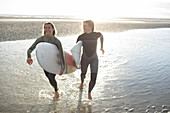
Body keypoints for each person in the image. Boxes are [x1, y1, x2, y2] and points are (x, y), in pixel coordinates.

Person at [26, 22, 65, 100]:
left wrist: (62, 67)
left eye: (49, 28)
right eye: (45, 28)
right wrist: (29, 57)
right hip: (45, 63)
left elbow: (61, 54)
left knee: (51, 77)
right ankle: (56, 89)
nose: (47, 29)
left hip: (54, 62)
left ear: (53, 29)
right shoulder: (41, 39)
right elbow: (30, 49)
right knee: (49, 78)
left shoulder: (56, 41)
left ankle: (56, 90)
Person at [76, 20, 104, 100]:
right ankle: (82, 82)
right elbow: (76, 50)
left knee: (94, 77)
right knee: (83, 73)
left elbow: (101, 36)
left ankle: (89, 92)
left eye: (85, 26)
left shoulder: (96, 35)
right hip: (85, 58)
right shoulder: (81, 37)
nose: (83, 27)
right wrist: (76, 62)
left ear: (91, 26)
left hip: (94, 58)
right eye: (83, 26)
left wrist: (101, 47)